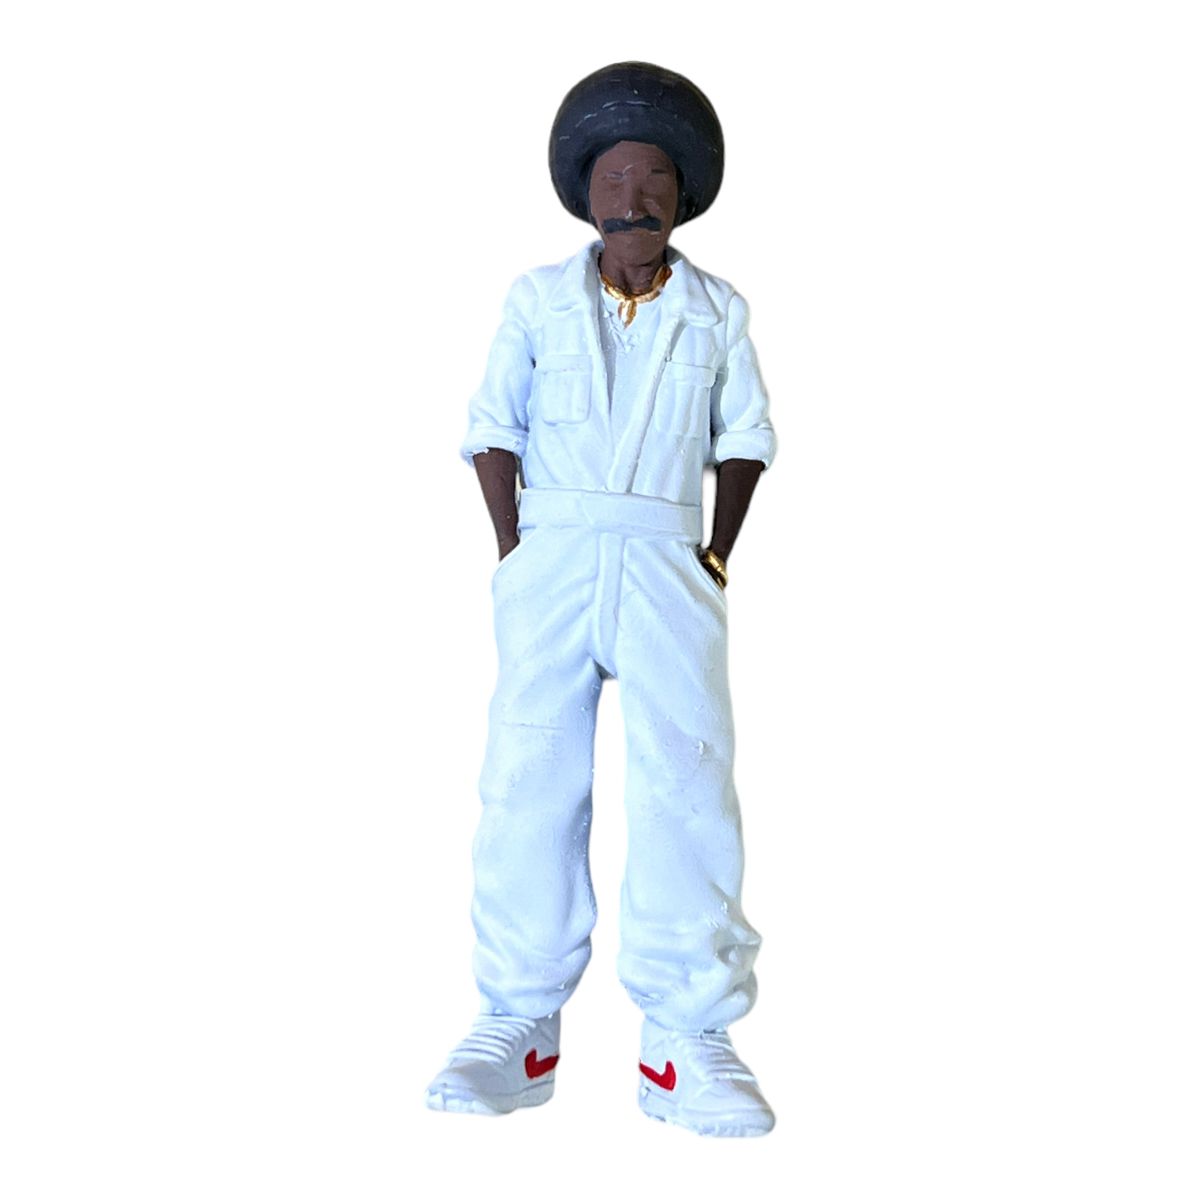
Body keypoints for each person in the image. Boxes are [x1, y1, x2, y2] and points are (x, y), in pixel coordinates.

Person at [425, 62, 777, 1137]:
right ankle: (517, 1023)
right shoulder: (536, 301)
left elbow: (746, 436)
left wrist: (716, 556)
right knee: (528, 776)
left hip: (668, 556)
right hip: (557, 555)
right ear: (586, 192)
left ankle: (686, 1039)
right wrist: (515, 551)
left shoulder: (717, 311)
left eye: (655, 176)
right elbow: (493, 425)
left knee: (688, 781)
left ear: (682, 193)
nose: (636, 196)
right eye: (616, 176)